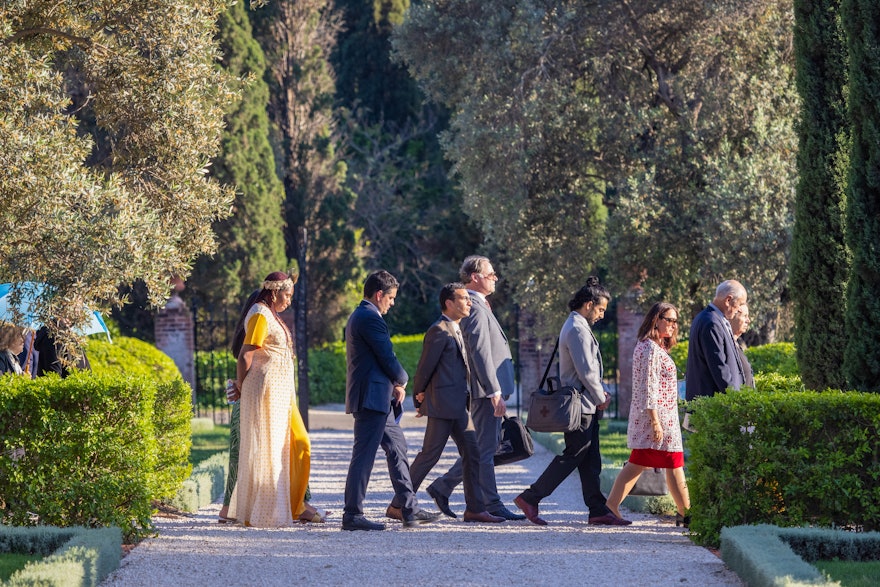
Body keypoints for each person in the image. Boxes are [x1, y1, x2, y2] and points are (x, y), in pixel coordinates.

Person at [514, 277, 631, 526]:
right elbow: (586, 371)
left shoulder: (577, 325)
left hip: (585, 403)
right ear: (588, 304)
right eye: (600, 309)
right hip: (581, 405)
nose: (601, 315)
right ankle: (530, 497)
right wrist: (601, 397)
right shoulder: (577, 328)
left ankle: (597, 509)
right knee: (574, 455)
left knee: (591, 459)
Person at [389, 283, 504, 524]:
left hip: (459, 407)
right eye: (463, 298)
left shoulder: (457, 329)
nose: (469, 302)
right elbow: (424, 367)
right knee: (430, 456)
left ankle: (474, 509)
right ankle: (398, 504)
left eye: (469, 299)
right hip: (443, 406)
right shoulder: (438, 330)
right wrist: (418, 397)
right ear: (448, 303)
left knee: (472, 453)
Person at [425, 256, 525, 521]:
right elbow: (479, 352)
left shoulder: (480, 306)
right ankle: (488, 502)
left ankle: (446, 488)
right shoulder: (476, 309)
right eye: (491, 274)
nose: (495, 278)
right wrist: (494, 392)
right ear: (475, 277)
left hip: (488, 389)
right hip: (485, 391)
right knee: (485, 447)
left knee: (483, 446)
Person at [342, 270, 439, 531]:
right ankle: (352, 515)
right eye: (391, 298)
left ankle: (409, 509)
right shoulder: (368, 317)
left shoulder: (363, 316)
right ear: (379, 295)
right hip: (371, 399)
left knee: (398, 448)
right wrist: (402, 379)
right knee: (363, 457)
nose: (393, 303)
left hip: (378, 399)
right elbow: (386, 355)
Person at [228, 271, 312, 527]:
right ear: (275, 292)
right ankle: (267, 511)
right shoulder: (260, 313)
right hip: (265, 391)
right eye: (287, 295)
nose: (289, 301)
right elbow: (245, 354)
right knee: (271, 447)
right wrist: (241, 386)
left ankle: (292, 506)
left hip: (280, 393)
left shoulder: (270, 314)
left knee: (297, 444)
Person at [605, 302, 691, 527]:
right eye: (668, 319)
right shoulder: (649, 349)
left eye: (675, 321)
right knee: (665, 461)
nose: (673, 325)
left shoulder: (654, 348)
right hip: (656, 417)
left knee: (646, 461)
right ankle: (688, 513)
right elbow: (647, 386)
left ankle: (611, 507)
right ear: (656, 319)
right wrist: (655, 422)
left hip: (663, 416)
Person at [685, 279, 748, 400]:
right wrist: (735, 398)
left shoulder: (710, 318)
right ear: (728, 300)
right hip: (712, 404)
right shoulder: (711, 322)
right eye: (739, 304)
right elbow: (719, 367)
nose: (739, 309)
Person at [730, 304, 755, 388]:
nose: (748, 320)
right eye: (744, 316)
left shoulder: (736, 344)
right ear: (732, 316)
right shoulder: (726, 346)